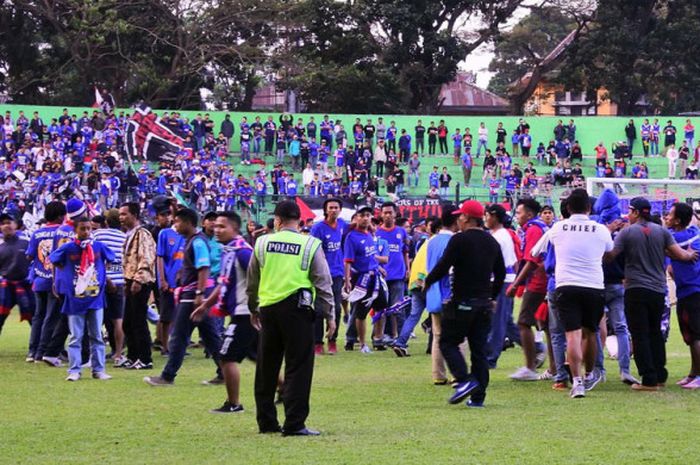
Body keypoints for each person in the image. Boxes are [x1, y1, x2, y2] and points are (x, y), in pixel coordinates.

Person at [247, 200, 335, 436]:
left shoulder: (262, 243)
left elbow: (252, 279)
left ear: (277, 220)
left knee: (267, 367)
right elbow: (323, 282)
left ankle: (266, 422)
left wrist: (253, 308)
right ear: (300, 221)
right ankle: (294, 423)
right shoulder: (310, 244)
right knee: (298, 366)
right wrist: (330, 315)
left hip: (268, 309)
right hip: (298, 308)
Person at [606, 197, 698, 390]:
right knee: (655, 332)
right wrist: (690, 255)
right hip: (658, 290)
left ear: (637, 212)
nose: (628, 215)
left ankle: (648, 379)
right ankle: (660, 375)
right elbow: (679, 255)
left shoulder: (626, 233)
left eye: (630, 211)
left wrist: (606, 234)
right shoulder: (662, 231)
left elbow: (610, 256)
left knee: (640, 334)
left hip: (636, 288)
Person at [531, 189, 614, 398]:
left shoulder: (558, 228)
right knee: (590, 333)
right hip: (594, 285)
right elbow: (609, 250)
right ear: (589, 208)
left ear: (568, 208)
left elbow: (535, 252)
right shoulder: (600, 229)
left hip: (566, 285)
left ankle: (576, 381)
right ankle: (589, 374)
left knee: (572, 335)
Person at [423, 200, 505, 408]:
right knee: (478, 350)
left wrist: (428, 281)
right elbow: (501, 274)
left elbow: (443, 266)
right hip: (483, 305)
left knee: (447, 342)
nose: (458, 219)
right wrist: (492, 297)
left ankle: (464, 380)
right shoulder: (491, 242)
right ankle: (478, 398)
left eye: (460, 216)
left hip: (462, 302)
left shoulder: (459, 240)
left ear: (466, 217)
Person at [144, 208, 222, 386]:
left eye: (177, 221)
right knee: (211, 337)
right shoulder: (192, 241)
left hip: (193, 296)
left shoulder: (198, 243)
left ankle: (167, 376)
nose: (175, 225)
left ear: (188, 223)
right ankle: (224, 372)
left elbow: (204, 268)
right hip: (194, 294)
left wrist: (199, 294)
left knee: (179, 335)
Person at [192, 211, 256, 412]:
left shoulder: (243, 253)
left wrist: (257, 306)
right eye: (215, 226)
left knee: (226, 358)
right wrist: (206, 305)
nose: (216, 230)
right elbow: (224, 284)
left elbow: (259, 277)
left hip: (246, 313)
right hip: (241, 312)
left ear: (235, 229)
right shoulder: (229, 251)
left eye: (222, 226)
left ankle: (234, 404)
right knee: (258, 357)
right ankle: (284, 389)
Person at [50, 216, 115, 381]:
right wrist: (64, 277)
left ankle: (98, 370)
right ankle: (74, 370)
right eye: (82, 229)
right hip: (75, 298)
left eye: (89, 228)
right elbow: (54, 260)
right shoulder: (68, 248)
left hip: (95, 297)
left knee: (97, 336)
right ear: (75, 230)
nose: (86, 232)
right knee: (75, 336)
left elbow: (112, 259)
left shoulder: (98, 247)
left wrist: (102, 275)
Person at [506, 198, 549, 380]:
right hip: (546, 280)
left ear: (529, 214)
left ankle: (530, 367)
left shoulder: (533, 229)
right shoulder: (540, 227)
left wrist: (516, 284)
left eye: (519, 212)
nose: (517, 216)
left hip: (537, 281)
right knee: (547, 325)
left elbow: (532, 260)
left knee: (524, 322)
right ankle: (555, 369)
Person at [664, 203, 700, 389]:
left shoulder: (674, 238)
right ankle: (694, 373)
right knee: (690, 335)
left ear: (677, 220)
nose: (667, 217)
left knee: (695, 334)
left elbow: (661, 247)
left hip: (692, 291)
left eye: (670, 215)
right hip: (687, 290)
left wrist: (679, 256)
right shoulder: (694, 232)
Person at [343, 206, 388, 352]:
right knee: (361, 312)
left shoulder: (369, 235)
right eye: (362, 215)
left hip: (375, 277)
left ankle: (378, 339)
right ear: (356, 217)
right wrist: (348, 280)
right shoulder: (351, 237)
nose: (365, 218)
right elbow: (348, 261)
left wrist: (378, 267)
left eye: (367, 215)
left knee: (381, 307)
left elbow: (370, 256)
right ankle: (362, 343)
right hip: (361, 279)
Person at [26, 201, 65, 363]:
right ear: (60, 216)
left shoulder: (37, 233)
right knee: (52, 318)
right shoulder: (61, 232)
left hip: (38, 280)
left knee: (38, 317)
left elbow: (28, 255)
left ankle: (32, 351)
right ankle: (42, 352)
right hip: (54, 281)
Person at [120, 202, 157, 370]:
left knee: (138, 320)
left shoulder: (143, 234)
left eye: (124, 214)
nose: (121, 217)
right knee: (128, 321)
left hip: (139, 281)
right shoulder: (130, 234)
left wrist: (138, 279)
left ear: (134, 215)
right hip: (129, 280)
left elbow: (147, 257)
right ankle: (133, 356)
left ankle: (145, 358)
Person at [484, 204, 519, 369]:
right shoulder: (500, 234)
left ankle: (491, 358)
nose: (485, 218)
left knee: (497, 320)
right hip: (505, 279)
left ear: (494, 217)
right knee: (506, 320)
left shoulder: (499, 236)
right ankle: (535, 347)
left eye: (487, 215)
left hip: (502, 280)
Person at [310, 198, 347, 355]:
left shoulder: (344, 225)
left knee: (336, 309)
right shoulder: (318, 228)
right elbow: (313, 250)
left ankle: (333, 341)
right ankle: (318, 342)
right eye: (330, 207)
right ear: (325, 210)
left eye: (336, 207)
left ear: (340, 210)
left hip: (338, 273)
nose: (333, 210)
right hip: (321, 274)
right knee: (319, 309)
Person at [93, 209, 128, 367]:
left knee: (95, 319)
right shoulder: (125, 237)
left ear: (106, 222)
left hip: (101, 281)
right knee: (118, 321)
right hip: (119, 281)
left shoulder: (99, 235)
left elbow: (92, 256)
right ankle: (118, 354)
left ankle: (93, 354)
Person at [375, 202, 409, 348]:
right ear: (381, 214)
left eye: (390, 212)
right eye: (385, 212)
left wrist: (408, 269)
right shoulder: (376, 233)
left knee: (398, 308)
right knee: (383, 308)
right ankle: (385, 335)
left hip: (398, 275)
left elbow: (405, 251)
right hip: (381, 276)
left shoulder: (401, 232)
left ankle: (402, 339)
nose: (388, 215)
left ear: (395, 214)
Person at [155, 207, 185, 356]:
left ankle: (176, 346)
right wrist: (162, 280)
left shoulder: (189, 236)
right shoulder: (165, 234)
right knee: (166, 316)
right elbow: (159, 256)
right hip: (169, 281)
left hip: (184, 282)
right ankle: (165, 346)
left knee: (180, 316)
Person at [0, 213, 32, 340]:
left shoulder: (27, 243)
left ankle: (38, 350)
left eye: (9, 222)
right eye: (3, 223)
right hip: (6, 287)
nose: (6, 225)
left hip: (26, 286)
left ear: (15, 224)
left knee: (34, 318)